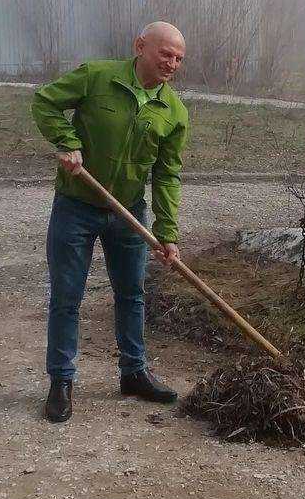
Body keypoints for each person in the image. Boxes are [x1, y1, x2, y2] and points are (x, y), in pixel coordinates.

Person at [31, 21, 190, 422]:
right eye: (165, 54)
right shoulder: (97, 76)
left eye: (178, 58)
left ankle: (134, 373)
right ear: (140, 46)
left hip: (129, 212)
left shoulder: (173, 112)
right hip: (77, 204)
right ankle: (61, 381)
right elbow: (45, 102)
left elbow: (167, 175)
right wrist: (67, 142)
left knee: (131, 294)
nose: (171, 63)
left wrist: (167, 232)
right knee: (67, 297)